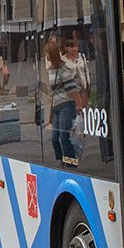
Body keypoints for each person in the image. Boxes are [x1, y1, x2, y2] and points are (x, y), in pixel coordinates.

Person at [46, 34, 88, 167]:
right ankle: (62, 159)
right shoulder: (51, 69)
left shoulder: (63, 68)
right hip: (57, 107)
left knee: (64, 136)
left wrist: (79, 105)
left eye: (47, 54)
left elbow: (72, 89)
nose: (46, 56)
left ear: (51, 55)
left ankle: (71, 163)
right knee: (54, 138)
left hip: (66, 105)